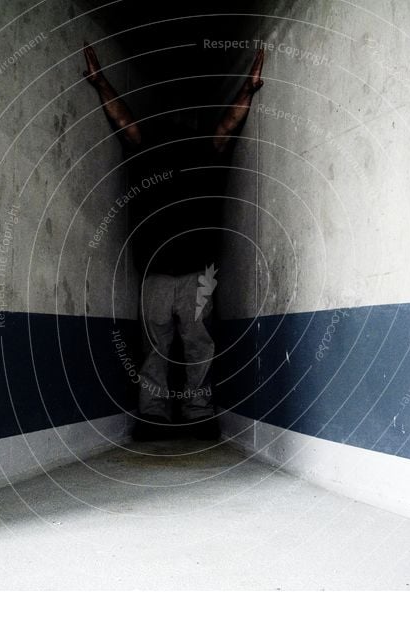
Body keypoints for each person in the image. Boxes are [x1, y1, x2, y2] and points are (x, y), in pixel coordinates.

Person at [83, 43, 264, 440]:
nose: (179, 117)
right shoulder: (150, 147)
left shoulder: (204, 149)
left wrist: (248, 89)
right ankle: (154, 415)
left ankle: (198, 411)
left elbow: (227, 127)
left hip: (198, 274)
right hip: (156, 273)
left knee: (198, 346)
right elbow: (124, 120)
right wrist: (100, 83)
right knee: (154, 349)